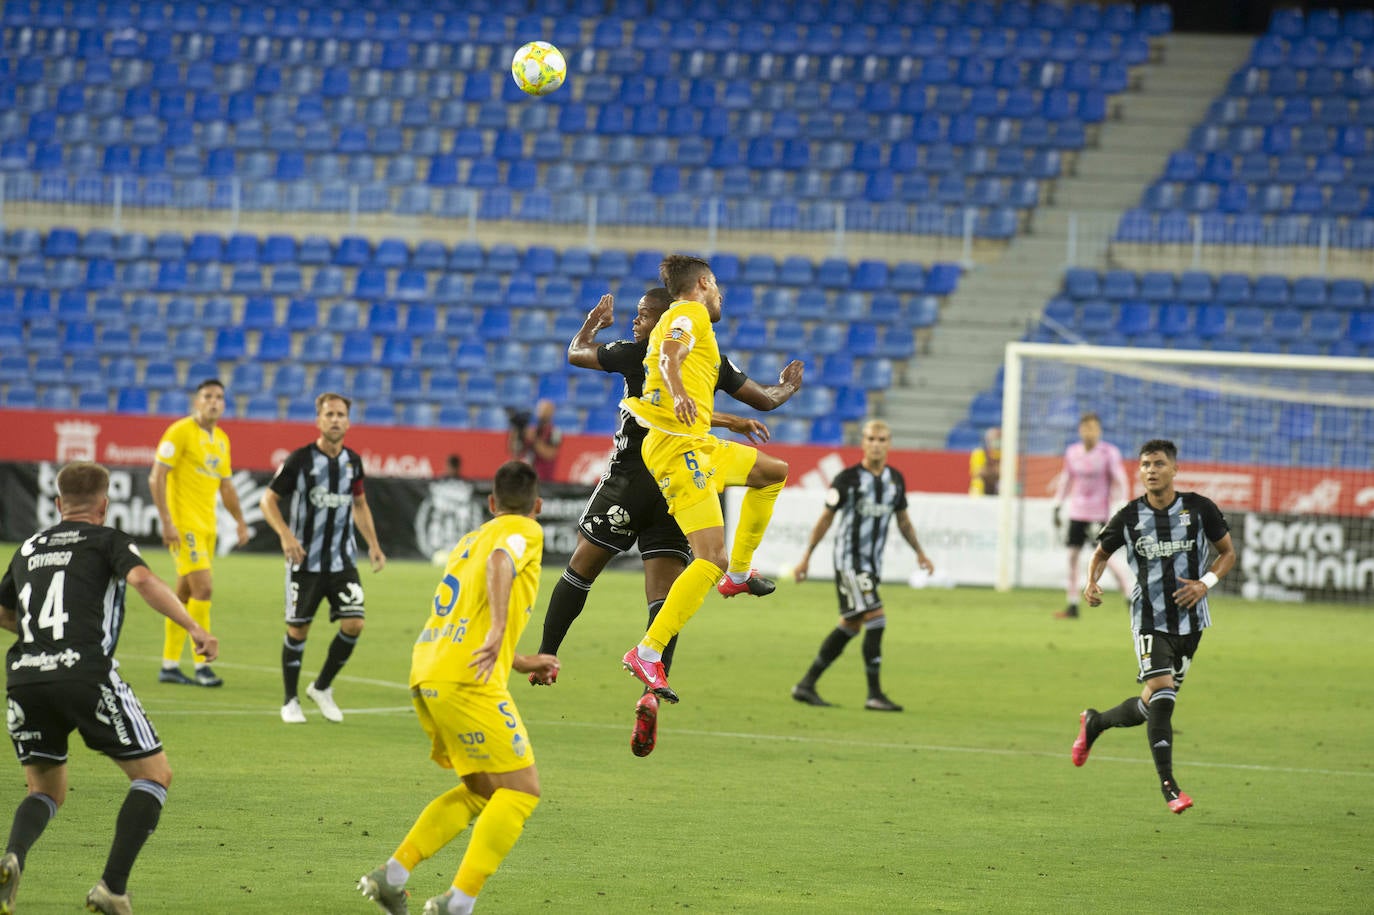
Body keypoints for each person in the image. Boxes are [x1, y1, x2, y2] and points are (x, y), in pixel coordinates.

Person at [536, 288, 803, 756]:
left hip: (635, 476)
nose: (637, 322)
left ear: (665, 318)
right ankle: (651, 692)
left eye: (644, 315)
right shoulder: (711, 358)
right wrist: (779, 393)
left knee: (581, 569)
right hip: (683, 478)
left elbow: (577, 354)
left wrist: (590, 326)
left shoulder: (639, 351)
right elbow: (762, 399)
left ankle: (546, 655)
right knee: (667, 593)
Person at [0, 462, 219, 914]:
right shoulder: (109, 540)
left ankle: (12, 857)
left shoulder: (28, 548)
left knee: (44, 790)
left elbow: (3, 611)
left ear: (59, 505)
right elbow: (143, 580)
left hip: (25, 678)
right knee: (154, 776)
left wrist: (39, 639)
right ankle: (111, 889)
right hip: (85, 673)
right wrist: (193, 626)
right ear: (105, 504)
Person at [358, 461, 560, 915]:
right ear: (539, 506)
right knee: (522, 791)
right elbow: (500, 562)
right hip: (468, 679)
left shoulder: (469, 540)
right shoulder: (524, 532)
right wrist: (500, 632)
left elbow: (468, 617)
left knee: (482, 790)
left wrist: (522, 658)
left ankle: (391, 877)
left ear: (490, 503)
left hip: (430, 667)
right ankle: (459, 903)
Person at [619, 254, 790, 705]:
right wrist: (678, 393)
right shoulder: (687, 313)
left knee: (773, 473)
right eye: (718, 288)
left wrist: (739, 413)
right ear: (703, 282)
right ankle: (647, 651)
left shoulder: (683, 322)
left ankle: (739, 573)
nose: (721, 297)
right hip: (679, 450)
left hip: (694, 441)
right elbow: (673, 358)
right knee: (707, 557)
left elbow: (679, 378)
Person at [1071, 439, 1236, 815]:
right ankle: (1170, 788)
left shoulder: (1198, 509)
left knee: (1151, 706)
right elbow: (1100, 553)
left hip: (1191, 622)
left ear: (1174, 469)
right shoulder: (1129, 516)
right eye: (1145, 464)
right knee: (1163, 694)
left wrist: (1203, 584)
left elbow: (1228, 552)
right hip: (1148, 617)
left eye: (1158, 463)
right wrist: (1091, 582)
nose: (1150, 469)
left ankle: (1094, 723)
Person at [258, 393, 387, 724]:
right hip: (305, 562)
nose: (334, 419)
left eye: (340, 414)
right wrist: (286, 536)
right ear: (318, 420)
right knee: (298, 631)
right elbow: (268, 501)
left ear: (348, 421)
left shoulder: (353, 462)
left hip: (342, 562)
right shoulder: (300, 459)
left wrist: (373, 543)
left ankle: (322, 687)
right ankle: (290, 700)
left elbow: (359, 503)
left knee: (355, 622)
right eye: (328, 414)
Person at [790, 419, 935, 712]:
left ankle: (806, 685)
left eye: (882, 439)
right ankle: (875, 694)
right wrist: (806, 556)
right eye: (871, 439)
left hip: (872, 565)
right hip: (849, 562)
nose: (876, 444)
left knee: (851, 624)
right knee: (876, 617)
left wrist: (920, 552)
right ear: (863, 443)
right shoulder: (847, 479)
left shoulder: (895, 480)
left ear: (889, 443)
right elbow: (826, 518)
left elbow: (903, 520)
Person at [148, 378, 249, 688]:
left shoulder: (221, 440)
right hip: (185, 526)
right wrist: (167, 522)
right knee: (203, 588)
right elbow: (157, 478)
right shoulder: (180, 431)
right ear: (196, 401)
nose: (214, 402)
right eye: (207, 396)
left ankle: (168, 665)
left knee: (183, 595)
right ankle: (203, 665)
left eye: (219, 397)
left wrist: (240, 521)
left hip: (207, 527)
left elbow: (227, 486)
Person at [1052, 412, 1132, 619]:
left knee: (1106, 558)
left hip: (1098, 514)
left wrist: (1122, 504)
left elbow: (1120, 480)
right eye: (1086, 428)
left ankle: (1131, 598)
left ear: (1099, 431)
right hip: (1077, 513)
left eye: (1094, 428)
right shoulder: (1072, 452)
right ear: (1080, 430)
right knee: (1072, 558)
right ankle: (1072, 605)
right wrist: (1057, 505)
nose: (1090, 432)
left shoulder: (1108, 453)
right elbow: (1066, 479)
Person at [509, 399, 561, 481]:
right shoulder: (533, 430)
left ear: (552, 412)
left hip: (545, 478)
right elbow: (516, 451)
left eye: (545, 409)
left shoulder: (555, 432)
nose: (541, 412)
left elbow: (550, 454)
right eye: (540, 409)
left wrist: (534, 439)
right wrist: (517, 431)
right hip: (529, 477)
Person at [968, 426, 1001, 496]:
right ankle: (976, 503)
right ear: (988, 440)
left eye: (999, 438)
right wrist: (994, 470)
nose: (997, 440)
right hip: (984, 486)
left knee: (1004, 484)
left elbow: (1007, 472)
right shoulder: (979, 453)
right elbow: (977, 472)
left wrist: (987, 470)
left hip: (997, 486)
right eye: (995, 438)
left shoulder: (1004, 454)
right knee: (978, 482)